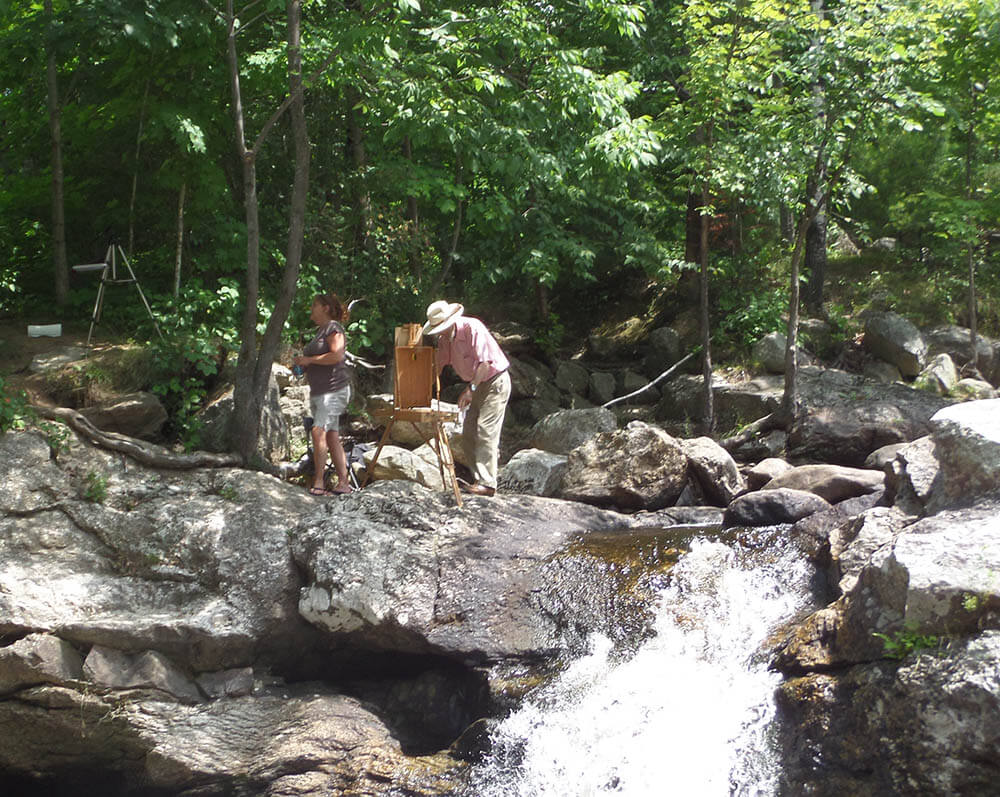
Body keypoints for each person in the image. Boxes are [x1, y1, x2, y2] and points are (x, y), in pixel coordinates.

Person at [423, 300, 511, 497]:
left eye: (441, 327)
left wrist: (470, 389)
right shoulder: (444, 340)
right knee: (468, 432)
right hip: (476, 383)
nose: (440, 332)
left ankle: (488, 484)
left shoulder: (472, 327)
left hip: (494, 382)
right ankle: (479, 479)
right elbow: (438, 365)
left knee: (486, 430)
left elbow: (485, 364)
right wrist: (421, 387)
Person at [293, 294, 352, 496]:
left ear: (325, 308)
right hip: (320, 391)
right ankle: (344, 483)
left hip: (334, 390)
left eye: (314, 305)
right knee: (331, 435)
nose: (311, 309)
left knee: (318, 431)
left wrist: (309, 361)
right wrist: (303, 364)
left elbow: (337, 355)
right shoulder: (320, 331)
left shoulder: (333, 328)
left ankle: (319, 482)